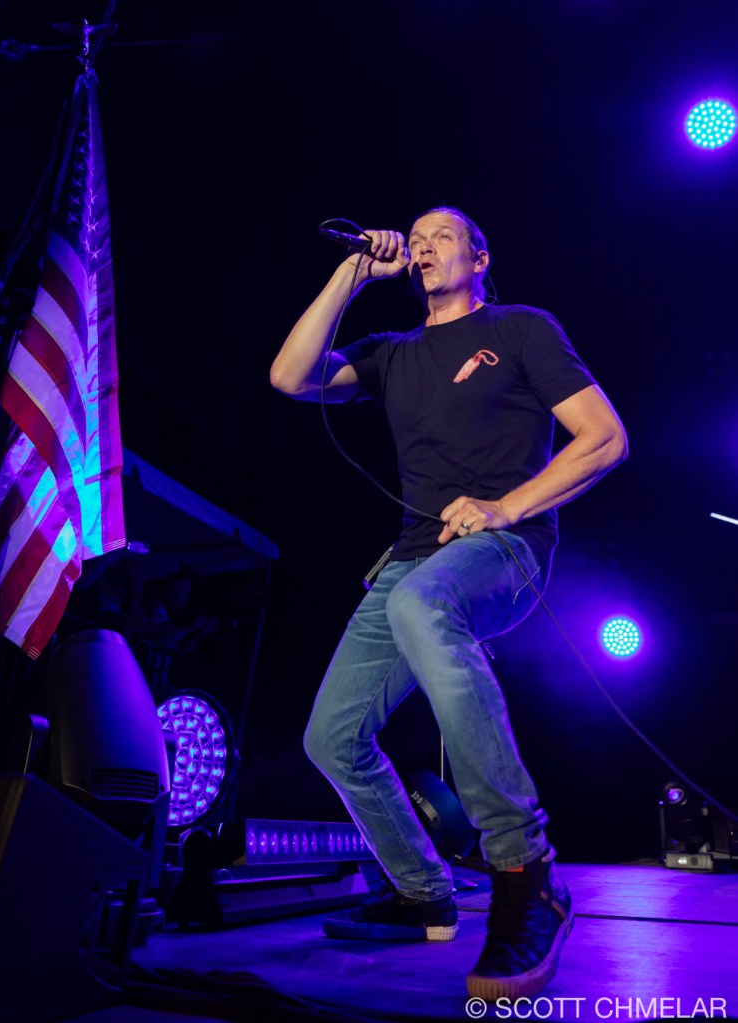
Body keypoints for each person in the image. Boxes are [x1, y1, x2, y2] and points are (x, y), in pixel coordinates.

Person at [269, 207, 627, 1001]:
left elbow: (604, 437)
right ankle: (421, 892)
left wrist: (506, 507)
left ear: (480, 256)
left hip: (505, 547)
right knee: (331, 738)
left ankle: (524, 866)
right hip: (409, 561)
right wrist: (353, 273)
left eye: (442, 235)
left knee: (423, 600)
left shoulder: (520, 327)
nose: (423, 245)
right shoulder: (392, 353)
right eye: (415, 237)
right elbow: (290, 377)